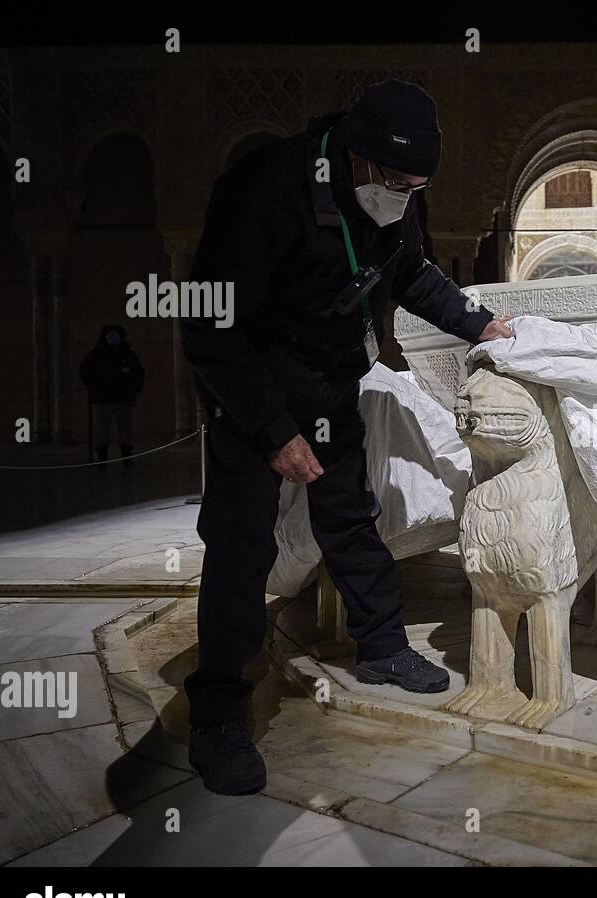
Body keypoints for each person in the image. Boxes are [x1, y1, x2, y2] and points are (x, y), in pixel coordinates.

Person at [181, 80, 512, 795]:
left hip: (328, 378)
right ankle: (217, 714)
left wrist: (480, 323)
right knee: (242, 543)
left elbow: (413, 274)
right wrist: (273, 431)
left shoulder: (392, 199)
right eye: (396, 182)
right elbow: (209, 328)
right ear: (356, 157)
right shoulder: (265, 189)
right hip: (252, 383)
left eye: (416, 186)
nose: (403, 195)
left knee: (349, 516)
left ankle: (383, 648)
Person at [80, 323, 144, 466]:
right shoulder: (96, 354)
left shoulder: (128, 354)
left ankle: (126, 456)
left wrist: (134, 388)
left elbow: (138, 372)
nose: (113, 336)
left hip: (124, 399)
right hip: (103, 399)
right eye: (109, 334)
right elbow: (85, 372)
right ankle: (102, 457)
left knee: (125, 429)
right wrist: (94, 387)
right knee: (102, 430)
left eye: (115, 334)